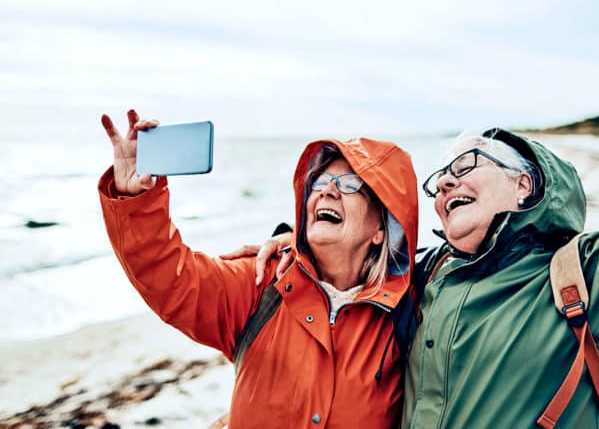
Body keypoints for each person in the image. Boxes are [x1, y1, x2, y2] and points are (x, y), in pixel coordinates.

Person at [252, 128, 599, 427]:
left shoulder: (590, 272)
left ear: (524, 184)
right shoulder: (427, 276)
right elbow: (351, 271)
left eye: (467, 163)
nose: (446, 181)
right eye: (440, 179)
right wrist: (293, 250)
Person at [97, 110, 418, 428]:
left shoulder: (407, 313)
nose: (328, 190)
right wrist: (134, 200)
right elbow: (173, 279)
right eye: (320, 181)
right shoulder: (264, 281)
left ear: (382, 227)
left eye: (350, 184)